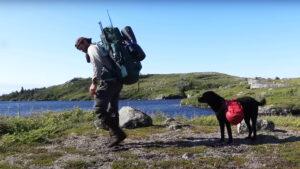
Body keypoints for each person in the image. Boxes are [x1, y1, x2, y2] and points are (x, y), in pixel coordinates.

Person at [75, 37, 126, 147]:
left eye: (81, 47)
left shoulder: (92, 48)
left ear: (85, 42)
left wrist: (94, 83)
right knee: (113, 109)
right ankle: (115, 138)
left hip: (108, 82)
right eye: (80, 49)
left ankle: (118, 134)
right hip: (117, 81)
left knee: (99, 109)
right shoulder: (100, 46)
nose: (82, 50)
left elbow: (97, 65)